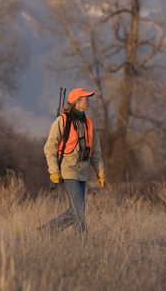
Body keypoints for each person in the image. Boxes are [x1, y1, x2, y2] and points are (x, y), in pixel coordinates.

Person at [39, 88, 107, 235]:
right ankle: (81, 240)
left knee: (77, 209)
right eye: (85, 99)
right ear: (77, 102)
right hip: (67, 170)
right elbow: (49, 148)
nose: (89, 101)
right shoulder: (62, 120)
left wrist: (100, 172)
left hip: (82, 172)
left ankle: (45, 231)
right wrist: (54, 171)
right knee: (78, 209)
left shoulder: (89, 122)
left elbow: (96, 152)